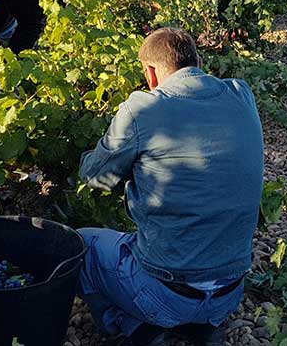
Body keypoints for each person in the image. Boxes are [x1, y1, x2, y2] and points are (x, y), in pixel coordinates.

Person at [77, 27, 264, 346]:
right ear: (198, 61)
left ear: (150, 72)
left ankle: (131, 327)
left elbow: (98, 178)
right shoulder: (241, 94)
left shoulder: (142, 108)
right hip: (229, 292)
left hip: (166, 293)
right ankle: (201, 325)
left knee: (82, 245)